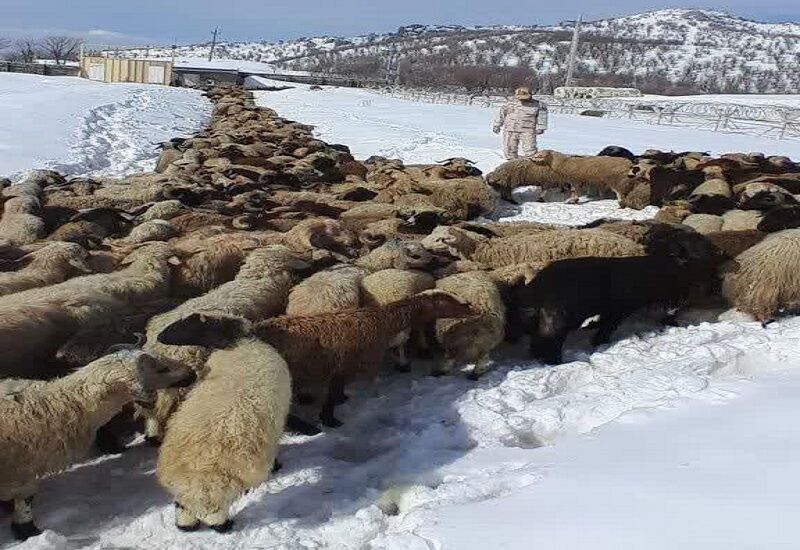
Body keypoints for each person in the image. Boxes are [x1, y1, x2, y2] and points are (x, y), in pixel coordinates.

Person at [493, 87, 548, 160]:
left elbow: (542, 116)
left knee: (530, 149)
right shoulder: (509, 103)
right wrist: (497, 125)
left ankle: (531, 164)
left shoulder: (538, 105)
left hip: (528, 130)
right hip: (510, 129)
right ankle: (510, 163)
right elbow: (501, 114)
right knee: (509, 148)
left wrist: (541, 127)